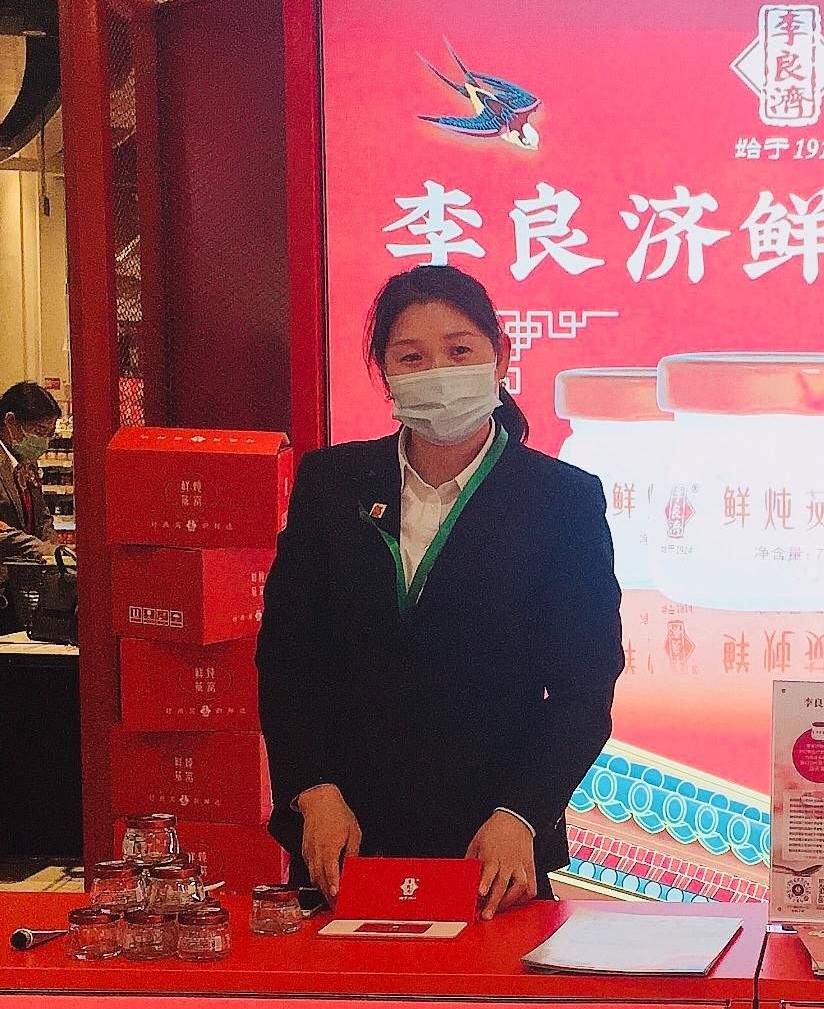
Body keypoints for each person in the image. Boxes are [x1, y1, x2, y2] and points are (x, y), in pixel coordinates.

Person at [256, 266, 623, 917]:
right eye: (411, 357)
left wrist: (523, 813)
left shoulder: (561, 500)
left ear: (500, 357)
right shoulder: (332, 483)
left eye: (459, 350)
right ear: (385, 373)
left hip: (491, 849)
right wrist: (313, 789)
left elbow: (584, 690)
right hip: (344, 841)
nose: (438, 372)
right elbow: (287, 659)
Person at [0, 382, 62, 562]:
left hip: (31, 571)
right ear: (11, 422)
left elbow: (42, 518)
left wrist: (55, 550)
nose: (45, 441)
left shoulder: (26, 459)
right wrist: (41, 549)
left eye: (50, 434)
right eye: (40, 431)